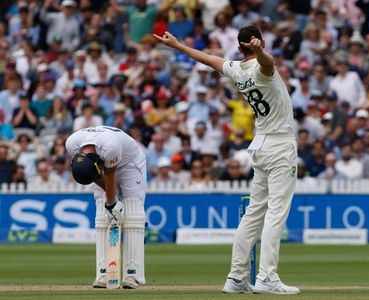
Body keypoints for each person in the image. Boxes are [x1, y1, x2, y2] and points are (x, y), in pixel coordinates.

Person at [154, 26, 300, 294]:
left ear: (239, 46)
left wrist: (177, 46)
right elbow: (268, 63)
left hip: (260, 144)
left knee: (254, 213)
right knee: (275, 213)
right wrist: (261, 52)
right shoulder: (260, 68)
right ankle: (267, 277)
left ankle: (236, 278)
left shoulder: (237, 69)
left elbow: (208, 59)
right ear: (257, 42)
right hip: (279, 144)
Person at [65, 126, 146, 289]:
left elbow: (110, 175)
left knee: (132, 215)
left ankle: (132, 275)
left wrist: (113, 203)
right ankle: (103, 273)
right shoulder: (72, 144)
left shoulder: (110, 147)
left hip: (130, 162)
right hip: (103, 163)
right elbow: (93, 175)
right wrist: (111, 205)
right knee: (102, 216)